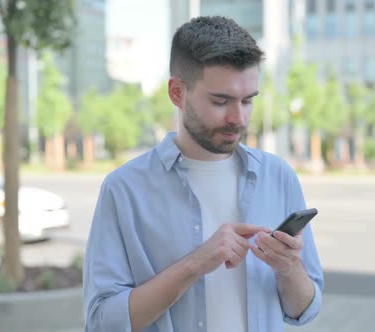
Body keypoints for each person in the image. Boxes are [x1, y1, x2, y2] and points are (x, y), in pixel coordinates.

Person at [83, 16, 323, 332]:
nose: (238, 118)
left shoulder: (278, 176)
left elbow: (304, 310)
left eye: (248, 100)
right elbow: (102, 322)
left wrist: (289, 268)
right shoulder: (124, 189)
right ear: (177, 92)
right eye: (221, 101)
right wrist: (196, 263)